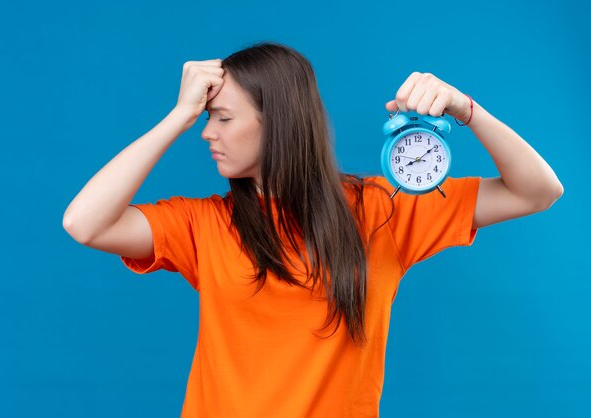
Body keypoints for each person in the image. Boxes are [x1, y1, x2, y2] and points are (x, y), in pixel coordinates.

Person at [62, 41, 563, 417]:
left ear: (277, 121)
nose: (207, 132)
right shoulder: (204, 223)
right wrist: (179, 114)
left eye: (221, 117)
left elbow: (537, 190)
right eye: (205, 118)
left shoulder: (381, 209)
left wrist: (465, 109)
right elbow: (83, 223)